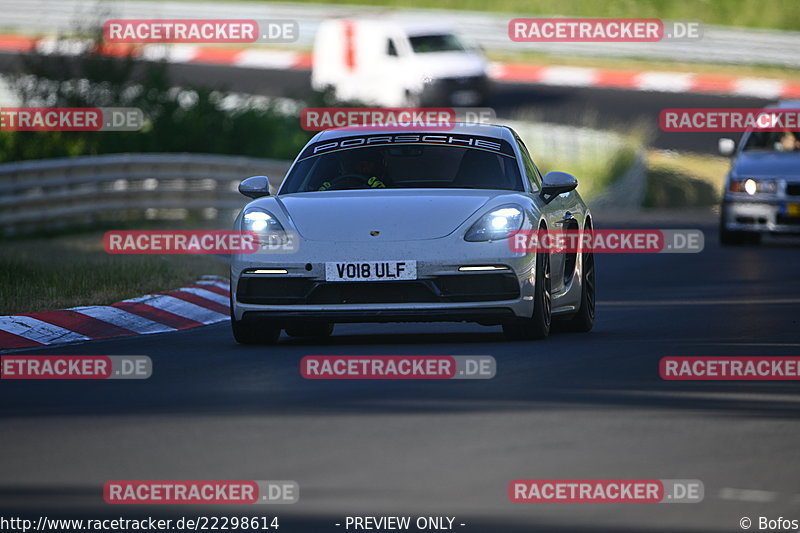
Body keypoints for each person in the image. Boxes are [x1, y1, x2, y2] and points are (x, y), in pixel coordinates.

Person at [318, 149, 388, 191]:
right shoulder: (326, 188)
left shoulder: (388, 185)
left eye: (369, 162)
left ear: (378, 165)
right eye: (360, 163)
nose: (363, 167)